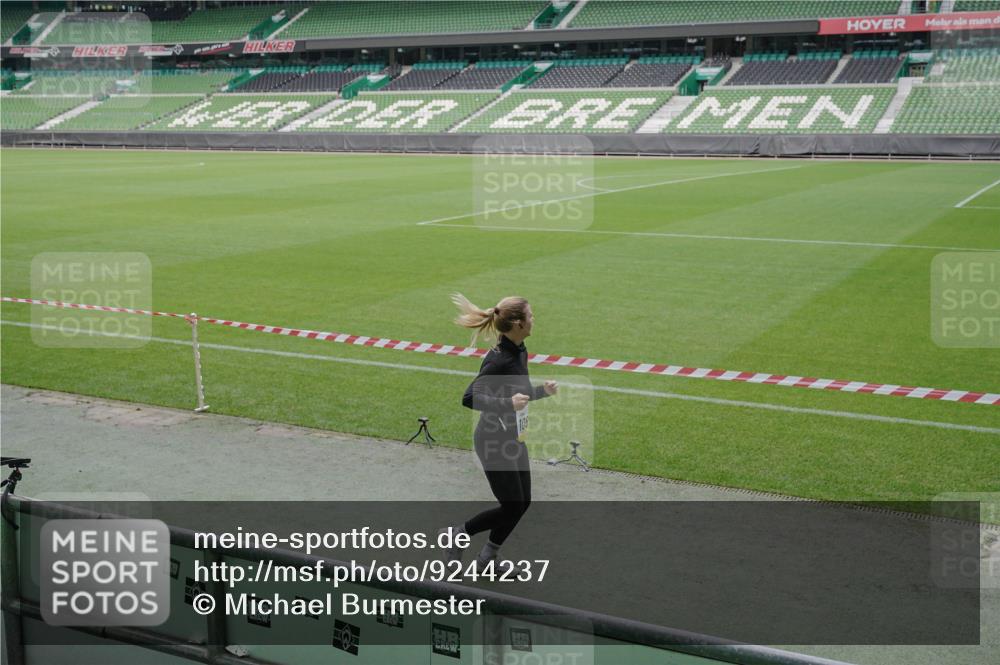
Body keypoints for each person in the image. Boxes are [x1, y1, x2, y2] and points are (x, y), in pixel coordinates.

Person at [440, 293, 557, 572]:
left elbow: (518, 393)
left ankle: (487, 560)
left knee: (522, 502)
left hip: (513, 437)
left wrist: (542, 392)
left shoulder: (519, 350)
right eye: (530, 315)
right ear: (517, 323)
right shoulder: (498, 359)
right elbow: (469, 397)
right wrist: (507, 404)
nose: (533, 319)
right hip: (492, 440)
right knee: (510, 506)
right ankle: (458, 534)